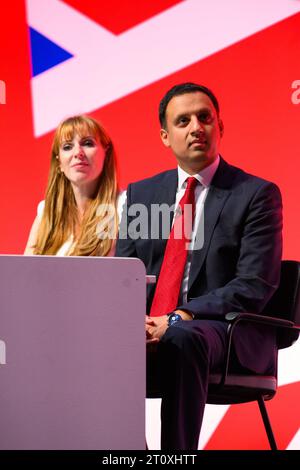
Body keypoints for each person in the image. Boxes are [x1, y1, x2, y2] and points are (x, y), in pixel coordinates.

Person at [116, 82, 283, 450]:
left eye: (205, 117)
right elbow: (122, 276)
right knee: (90, 339)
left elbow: (255, 283)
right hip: (155, 326)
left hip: (225, 331)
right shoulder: (142, 195)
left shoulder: (255, 194)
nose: (196, 127)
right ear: (165, 135)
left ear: (219, 126)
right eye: (183, 120)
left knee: (182, 335)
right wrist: (135, 321)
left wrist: (178, 316)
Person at [25, 115, 122, 256]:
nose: (78, 153)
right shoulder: (46, 212)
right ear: (59, 163)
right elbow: (25, 271)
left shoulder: (124, 206)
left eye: (88, 143)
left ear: (106, 153)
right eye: (67, 147)